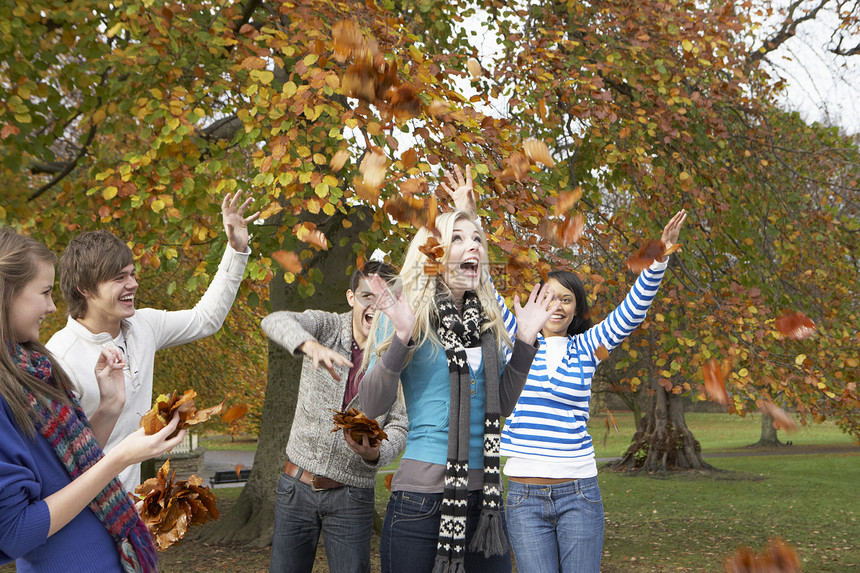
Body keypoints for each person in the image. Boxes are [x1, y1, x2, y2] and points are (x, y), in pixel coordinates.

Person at [359, 170, 561, 573]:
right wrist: (401, 336)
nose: (473, 247)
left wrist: (523, 343)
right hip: (419, 500)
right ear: (433, 254)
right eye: (457, 239)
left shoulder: (485, 323)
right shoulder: (407, 314)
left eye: (478, 241)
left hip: (483, 501)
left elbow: (500, 406)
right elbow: (371, 403)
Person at [499, 210, 687, 573]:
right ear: (536, 301)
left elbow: (630, 312)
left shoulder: (586, 347)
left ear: (576, 310)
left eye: (566, 299)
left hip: (579, 494)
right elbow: (483, 286)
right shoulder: (516, 338)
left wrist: (658, 258)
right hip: (523, 497)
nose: (556, 305)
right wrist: (467, 218)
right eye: (549, 297)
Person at [0, 227, 186, 572]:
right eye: (43, 292)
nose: (52, 305)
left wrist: (109, 407)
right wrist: (118, 461)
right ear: (6, 294)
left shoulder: (33, 366)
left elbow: (62, 469)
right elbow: (13, 534)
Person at [46, 192, 258, 489]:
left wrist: (236, 251)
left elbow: (205, 319)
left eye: (131, 274)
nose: (133, 284)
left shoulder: (143, 324)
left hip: (133, 506)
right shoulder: (58, 359)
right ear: (85, 288)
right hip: (82, 511)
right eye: (119, 278)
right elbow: (55, 462)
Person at [261, 261, 408, 573]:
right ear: (351, 297)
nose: (376, 305)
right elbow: (275, 320)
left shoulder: (397, 353)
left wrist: (378, 453)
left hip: (352, 496)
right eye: (368, 296)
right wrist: (310, 345)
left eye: (385, 299)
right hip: (295, 486)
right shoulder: (327, 327)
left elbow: (400, 423)